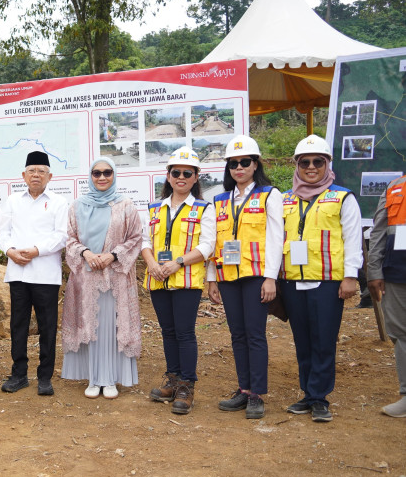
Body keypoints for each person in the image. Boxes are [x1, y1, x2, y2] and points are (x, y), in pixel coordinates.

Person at [278, 135, 362, 422]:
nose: (311, 167)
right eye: (305, 162)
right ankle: (308, 392)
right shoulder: (285, 200)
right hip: (292, 282)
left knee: (323, 340)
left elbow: (353, 239)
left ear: (327, 164)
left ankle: (319, 398)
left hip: (327, 283)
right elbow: (275, 239)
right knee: (302, 340)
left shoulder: (342, 197)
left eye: (318, 162)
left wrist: (350, 277)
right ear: (297, 166)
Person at [207, 135, 283, 419]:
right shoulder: (220, 200)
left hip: (255, 276)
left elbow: (276, 238)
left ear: (255, 164)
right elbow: (215, 242)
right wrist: (212, 278)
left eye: (245, 162)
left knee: (255, 334)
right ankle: (243, 389)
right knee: (237, 334)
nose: (239, 168)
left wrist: (271, 278)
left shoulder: (269, 195)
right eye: (233, 163)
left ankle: (257, 394)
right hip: (228, 277)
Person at [61, 157, 144, 399]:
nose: (102, 177)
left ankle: (109, 378)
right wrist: (86, 253)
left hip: (114, 275)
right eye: (96, 173)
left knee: (110, 325)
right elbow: (70, 238)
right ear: (90, 176)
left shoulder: (126, 205)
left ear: (114, 175)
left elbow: (135, 238)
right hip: (86, 278)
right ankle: (93, 378)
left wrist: (112, 255)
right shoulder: (77, 206)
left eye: (107, 172)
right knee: (90, 324)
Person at [142, 147, 215, 414]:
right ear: (168, 176)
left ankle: (186, 386)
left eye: (187, 173)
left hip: (185, 280)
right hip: (158, 279)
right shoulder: (154, 208)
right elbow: (144, 241)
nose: (181, 177)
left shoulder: (204, 209)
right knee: (168, 332)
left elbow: (208, 245)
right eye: (176, 173)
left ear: (196, 177)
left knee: (184, 333)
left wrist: (177, 263)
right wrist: (152, 264)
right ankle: (172, 380)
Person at [0, 151, 68, 396]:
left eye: (41, 171)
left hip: (46, 275)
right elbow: (1, 233)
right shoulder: (12, 201)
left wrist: (37, 250)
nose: (36, 175)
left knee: (48, 326)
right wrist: (10, 251)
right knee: (19, 325)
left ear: (50, 176)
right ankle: (19, 374)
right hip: (18, 272)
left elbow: (62, 235)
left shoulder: (59, 202)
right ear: (23, 175)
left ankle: (44, 377)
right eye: (32, 171)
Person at [368, 173, 406, 418]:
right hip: (397, 274)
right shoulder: (395, 187)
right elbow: (379, 231)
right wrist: (373, 270)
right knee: (401, 334)